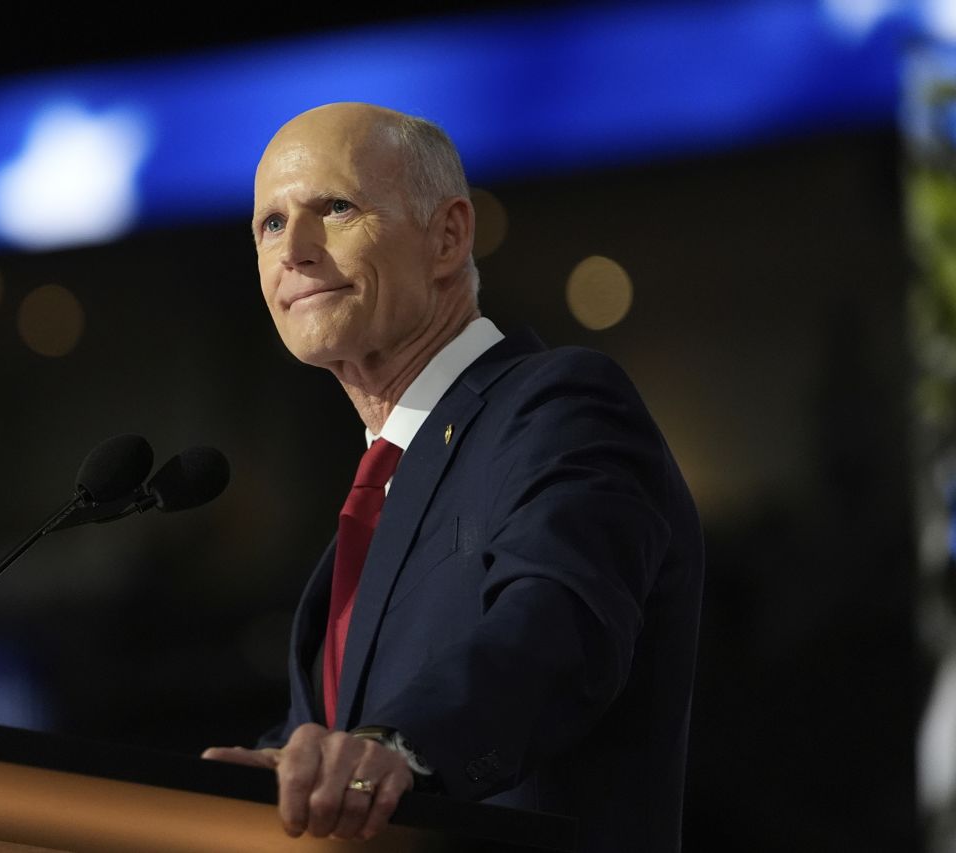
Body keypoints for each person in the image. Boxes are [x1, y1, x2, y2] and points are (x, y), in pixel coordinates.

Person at [202, 102, 704, 852]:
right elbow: (339, 757)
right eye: (270, 224)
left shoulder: (560, 405)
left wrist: (397, 748)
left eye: (334, 208)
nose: (294, 251)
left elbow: (554, 623)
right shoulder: (381, 490)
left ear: (447, 237)